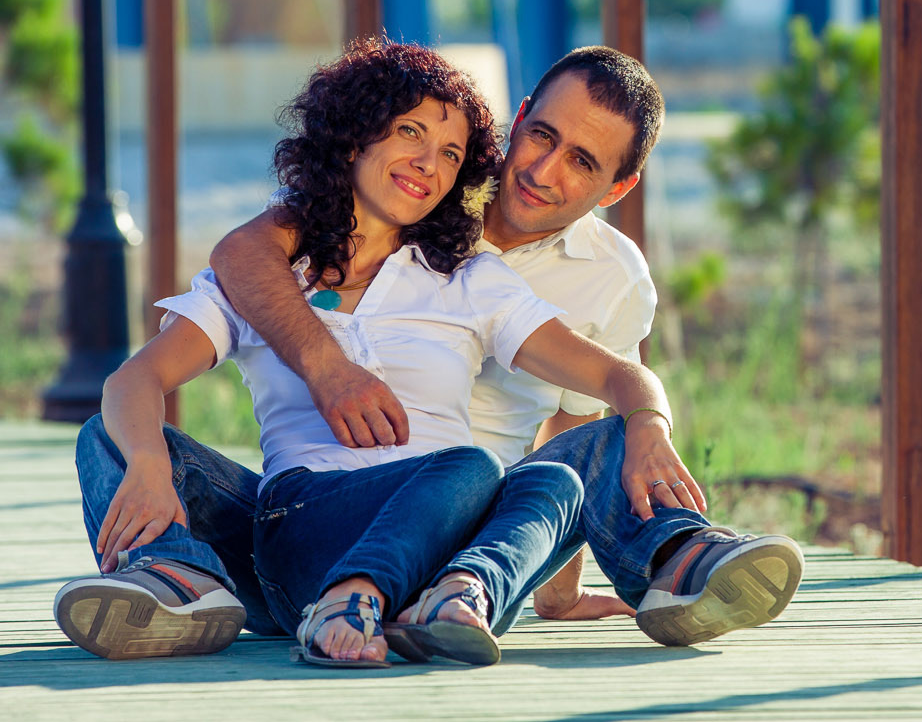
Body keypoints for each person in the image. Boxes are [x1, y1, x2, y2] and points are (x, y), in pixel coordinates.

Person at [53, 40, 705, 667]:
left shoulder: (471, 277)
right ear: (357, 132)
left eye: (451, 152)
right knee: (106, 435)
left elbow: (613, 375)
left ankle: (464, 595)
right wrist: (145, 460)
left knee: (550, 480)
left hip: (451, 542)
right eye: (410, 133)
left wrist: (648, 421)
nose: (429, 162)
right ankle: (183, 577)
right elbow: (134, 379)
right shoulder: (279, 276)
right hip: (301, 527)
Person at [210, 46, 805, 646]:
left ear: (618, 187)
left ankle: (677, 561)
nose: (543, 172)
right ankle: (198, 571)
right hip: (360, 493)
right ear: (518, 118)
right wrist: (326, 368)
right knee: (150, 447)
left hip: (488, 535)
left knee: (614, 435)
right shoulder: (420, 185)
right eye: (542, 136)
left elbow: (571, 438)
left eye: (581, 162)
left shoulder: (613, 276)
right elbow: (243, 251)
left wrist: (558, 589)